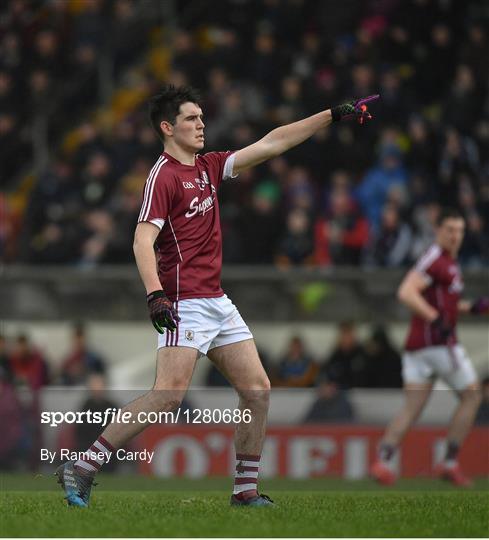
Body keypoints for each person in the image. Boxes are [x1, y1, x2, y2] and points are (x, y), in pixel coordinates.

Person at [56, 84, 379, 507]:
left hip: (216, 301)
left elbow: (273, 142)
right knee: (169, 395)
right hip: (182, 301)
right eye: (192, 118)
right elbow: (141, 240)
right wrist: (155, 295)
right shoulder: (163, 176)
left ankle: (244, 491)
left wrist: (332, 115)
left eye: (202, 117)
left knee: (258, 389)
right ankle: (81, 467)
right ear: (168, 127)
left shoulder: (208, 166)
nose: (201, 123)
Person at [370, 208, 488, 486]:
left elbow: (442, 303)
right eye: (450, 229)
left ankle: (383, 461)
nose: (455, 235)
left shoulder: (446, 261)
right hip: (438, 344)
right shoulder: (436, 259)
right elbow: (406, 292)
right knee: (472, 396)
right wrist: (437, 321)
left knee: (412, 407)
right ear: (438, 231)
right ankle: (449, 462)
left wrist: (471, 307)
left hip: (417, 346)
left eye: (459, 230)